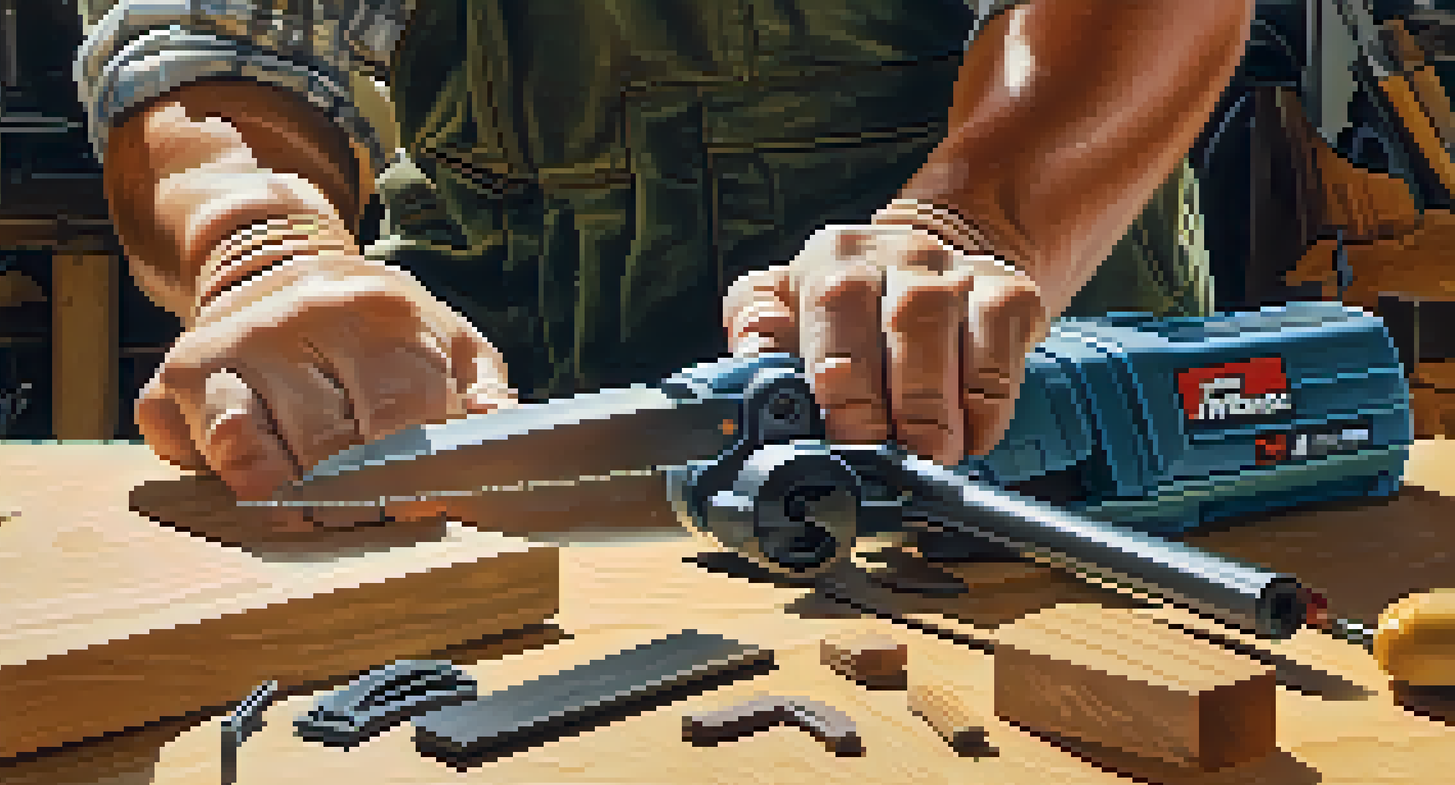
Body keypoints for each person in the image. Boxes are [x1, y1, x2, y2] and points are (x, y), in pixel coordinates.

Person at [72, 0, 1252, 501]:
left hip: (994, 403)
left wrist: (968, 225)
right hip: (520, 409)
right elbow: (203, 37)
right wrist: (264, 249)